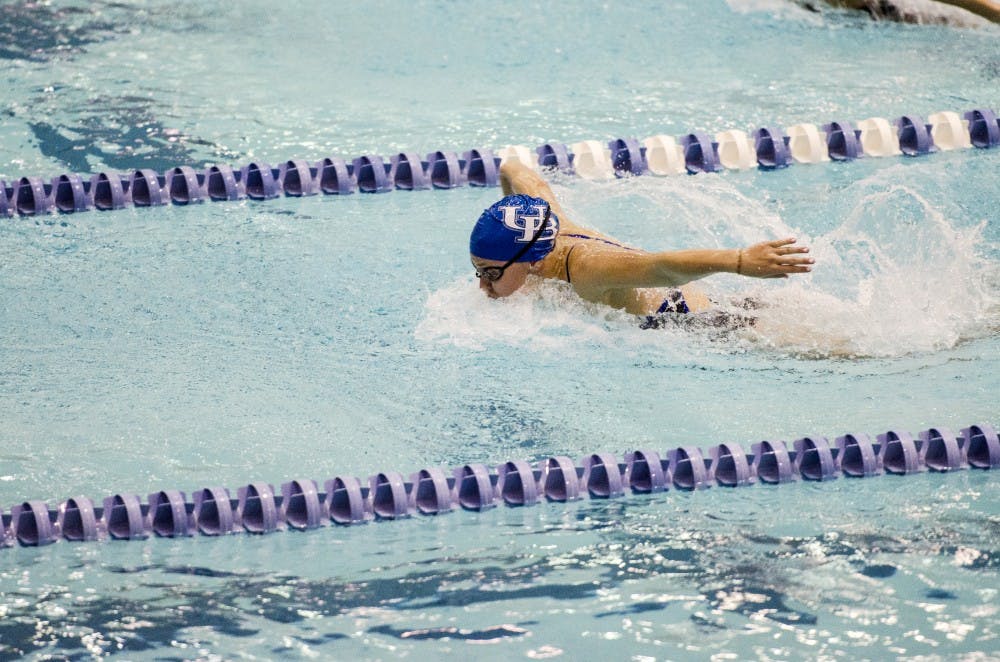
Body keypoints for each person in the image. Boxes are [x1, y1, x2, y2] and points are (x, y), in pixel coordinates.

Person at [469, 161, 814, 327]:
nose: (483, 285)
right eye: (480, 273)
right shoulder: (545, 224)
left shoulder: (586, 266)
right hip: (715, 306)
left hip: (712, 326)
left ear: (530, 260)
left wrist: (738, 260)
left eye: (491, 273)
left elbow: (662, 268)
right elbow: (514, 170)